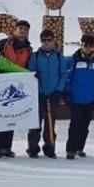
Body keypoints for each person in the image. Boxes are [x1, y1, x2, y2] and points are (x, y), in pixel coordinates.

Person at [0, 19, 33, 157]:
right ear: (15, 30)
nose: (22, 31)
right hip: (0, 84)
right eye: (20, 28)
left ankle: (6, 147)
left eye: (25, 29)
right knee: (0, 117)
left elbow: (28, 65)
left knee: (11, 117)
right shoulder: (3, 44)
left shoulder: (28, 49)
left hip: (17, 85)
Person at [28, 29, 67, 159]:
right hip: (39, 94)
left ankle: (49, 146)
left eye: (49, 40)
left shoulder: (58, 56)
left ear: (53, 41)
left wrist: (58, 90)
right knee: (35, 122)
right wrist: (38, 90)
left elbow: (63, 74)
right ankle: (33, 147)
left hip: (54, 93)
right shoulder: (36, 56)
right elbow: (31, 74)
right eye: (43, 40)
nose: (46, 43)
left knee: (51, 122)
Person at [64, 34, 94, 160]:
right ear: (81, 45)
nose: (87, 48)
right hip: (76, 98)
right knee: (75, 124)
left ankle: (80, 148)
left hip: (90, 99)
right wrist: (67, 92)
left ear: (93, 47)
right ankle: (71, 149)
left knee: (85, 125)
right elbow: (68, 78)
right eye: (85, 45)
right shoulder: (73, 60)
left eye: (90, 46)